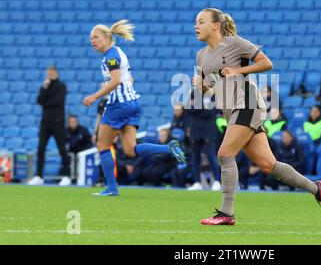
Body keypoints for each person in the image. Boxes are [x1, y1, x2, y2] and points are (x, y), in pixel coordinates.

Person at [192, 8, 321, 225]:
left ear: (215, 25)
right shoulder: (201, 55)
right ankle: (316, 188)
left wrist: (238, 71)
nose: (196, 26)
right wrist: (202, 87)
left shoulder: (235, 43)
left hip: (248, 104)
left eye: (201, 21)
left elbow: (267, 63)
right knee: (269, 166)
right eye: (196, 22)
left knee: (225, 153)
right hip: (233, 111)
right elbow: (212, 89)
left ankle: (226, 213)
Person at [83, 19, 185, 196]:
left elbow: (115, 81)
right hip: (133, 103)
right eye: (91, 38)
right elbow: (128, 79)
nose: (93, 41)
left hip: (118, 105)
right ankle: (168, 148)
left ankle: (112, 188)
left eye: (96, 37)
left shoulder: (111, 57)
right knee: (130, 150)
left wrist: (94, 96)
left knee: (102, 145)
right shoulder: (118, 52)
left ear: (107, 38)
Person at [28, 66, 71, 186]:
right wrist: (44, 88)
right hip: (45, 122)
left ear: (56, 73)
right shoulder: (45, 86)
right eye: (48, 73)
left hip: (58, 122)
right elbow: (39, 100)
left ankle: (66, 176)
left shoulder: (61, 86)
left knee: (62, 149)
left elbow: (57, 101)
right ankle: (39, 176)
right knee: (40, 148)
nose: (50, 75)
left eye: (52, 73)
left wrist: (46, 103)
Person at [186, 94, 221, 191]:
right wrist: (203, 108)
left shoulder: (214, 95)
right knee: (195, 157)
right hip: (196, 130)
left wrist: (198, 108)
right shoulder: (194, 93)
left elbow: (212, 112)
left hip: (209, 131)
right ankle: (197, 182)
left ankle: (217, 181)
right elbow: (189, 110)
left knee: (211, 156)